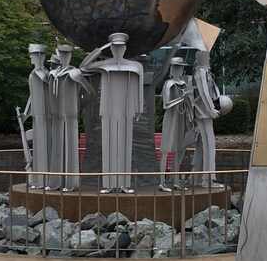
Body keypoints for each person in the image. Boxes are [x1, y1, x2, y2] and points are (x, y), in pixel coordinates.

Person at [81, 33, 144, 194]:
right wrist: (101, 49)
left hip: (126, 110)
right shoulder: (105, 64)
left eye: (120, 47)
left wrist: (139, 109)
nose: (118, 50)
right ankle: (108, 185)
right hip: (108, 111)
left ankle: (124, 184)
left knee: (125, 146)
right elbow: (84, 66)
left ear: (124, 48)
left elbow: (139, 88)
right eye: (115, 47)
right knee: (108, 146)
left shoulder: (135, 66)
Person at [48, 44, 93, 191]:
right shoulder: (53, 74)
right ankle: (55, 182)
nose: (64, 57)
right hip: (57, 114)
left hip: (71, 114)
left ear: (70, 56)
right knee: (57, 147)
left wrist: (79, 105)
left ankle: (70, 183)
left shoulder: (75, 73)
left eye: (67, 54)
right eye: (62, 54)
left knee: (70, 148)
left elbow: (90, 92)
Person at [191, 50, 229, 188]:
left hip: (202, 112)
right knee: (210, 145)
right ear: (202, 57)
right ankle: (208, 180)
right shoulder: (200, 72)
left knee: (202, 145)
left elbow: (210, 92)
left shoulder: (204, 72)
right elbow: (204, 93)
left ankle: (195, 177)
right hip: (204, 113)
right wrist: (211, 110)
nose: (209, 58)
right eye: (207, 56)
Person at [19, 44, 52, 189]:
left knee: (45, 147)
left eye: (33, 56)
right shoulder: (33, 74)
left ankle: (46, 179)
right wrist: (25, 113)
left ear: (40, 57)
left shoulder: (46, 75)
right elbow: (32, 96)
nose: (31, 58)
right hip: (36, 117)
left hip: (46, 116)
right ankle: (37, 179)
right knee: (38, 148)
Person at [158, 57, 194, 191]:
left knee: (179, 149)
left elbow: (189, 105)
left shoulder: (184, 84)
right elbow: (166, 104)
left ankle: (175, 180)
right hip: (171, 117)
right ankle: (162, 181)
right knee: (166, 150)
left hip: (181, 118)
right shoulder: (169, 84)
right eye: (176, 67)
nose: (179, 70)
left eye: (181, 67)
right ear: (172, 69)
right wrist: (181, 98)